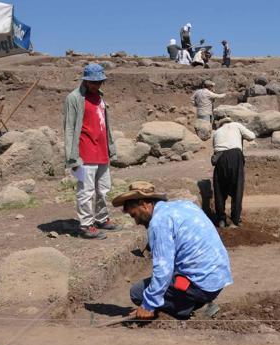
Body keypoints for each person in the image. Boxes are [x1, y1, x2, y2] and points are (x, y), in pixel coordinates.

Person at [113, 181, 232, 320]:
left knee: (138, 292)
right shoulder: (184, 205)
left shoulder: (159, 222)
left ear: (143, 204)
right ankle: (193, 301)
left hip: (201, 286)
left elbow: (163, 269)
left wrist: (148, 305)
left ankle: (196, 307)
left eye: (134, 215)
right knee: (169, 279)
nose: (136, 222)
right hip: (218, 278)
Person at [63, 63, 119, 240]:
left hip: (101, 151)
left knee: (103, 189)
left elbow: (105, 125)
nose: (97, 85)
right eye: (94, 82)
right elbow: (69, 128)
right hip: (84, 153)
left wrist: (110, 148)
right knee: (86, 191)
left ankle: (102, 218)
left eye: (100, 82)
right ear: (86, 81)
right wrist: (72, 157)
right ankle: (86, 225)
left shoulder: (100, 97)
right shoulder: (74, 98)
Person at [211, 118, 256, 227]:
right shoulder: (236, 125)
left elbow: (215, 149)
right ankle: (235, 219)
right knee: (237, 188)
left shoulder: (216, 132)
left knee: (220, 190)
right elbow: (251, 136)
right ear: (229, 122)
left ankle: (221, 219)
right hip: (235, 156)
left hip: (220, 159)